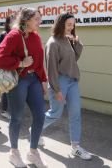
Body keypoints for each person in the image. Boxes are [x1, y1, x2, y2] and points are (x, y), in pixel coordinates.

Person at [0, 7, 49, 168]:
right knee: (17, 118)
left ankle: (33, 153)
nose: (40, 22)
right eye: (37, 19)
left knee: (40, 116)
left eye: (40, 19)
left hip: (34, 80)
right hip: (19, 80)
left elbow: (40, 61)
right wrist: (20, 63)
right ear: (26, 20)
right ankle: (14, 152)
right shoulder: (14, 35)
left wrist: (43, 81)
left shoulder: (36, 37)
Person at [42, 11, 91, 160]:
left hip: (72, 81)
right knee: (55, 113)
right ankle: (35, 130)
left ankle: (75, 147)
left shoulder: (68, 40)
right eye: (69, 24)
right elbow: (51, 69)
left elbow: (73, 59)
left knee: (75, 114)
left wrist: (77, 43)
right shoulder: (53, 43)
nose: (71, 27)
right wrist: (57, 89)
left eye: (73, 25)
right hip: (60, 81)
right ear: (61, 23)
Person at [0, 14, 16, 120]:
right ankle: (4, 111)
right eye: (11, 22)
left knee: (13, 88)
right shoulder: (3, 34)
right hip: (5, 66)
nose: (13, 24)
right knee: (6, 89)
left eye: (15, 21)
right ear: (7, 23)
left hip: (16, 65)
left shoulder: (18, 34)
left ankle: (12, 111)